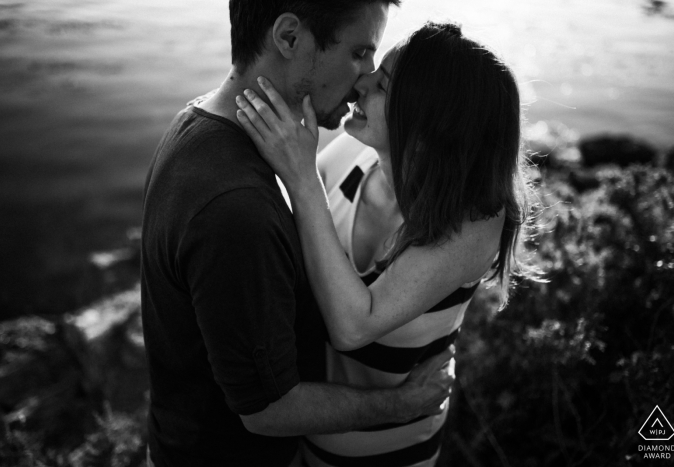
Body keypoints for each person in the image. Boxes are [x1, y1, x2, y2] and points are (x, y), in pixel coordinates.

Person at [140, 2, 457, 466]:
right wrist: (404, 404)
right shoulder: (237, 209)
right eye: (359, 52)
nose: (365, 77)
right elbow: (268, 410)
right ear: (289, 37)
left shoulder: (196, 123)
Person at [236, 22, 537, 466]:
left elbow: (353, 326)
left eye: (383, 85)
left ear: (432, 122)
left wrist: (300, 176)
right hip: (302, 438)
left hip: (391, 453)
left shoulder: (473, 222)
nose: (360, 85)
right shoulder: (349, 155)